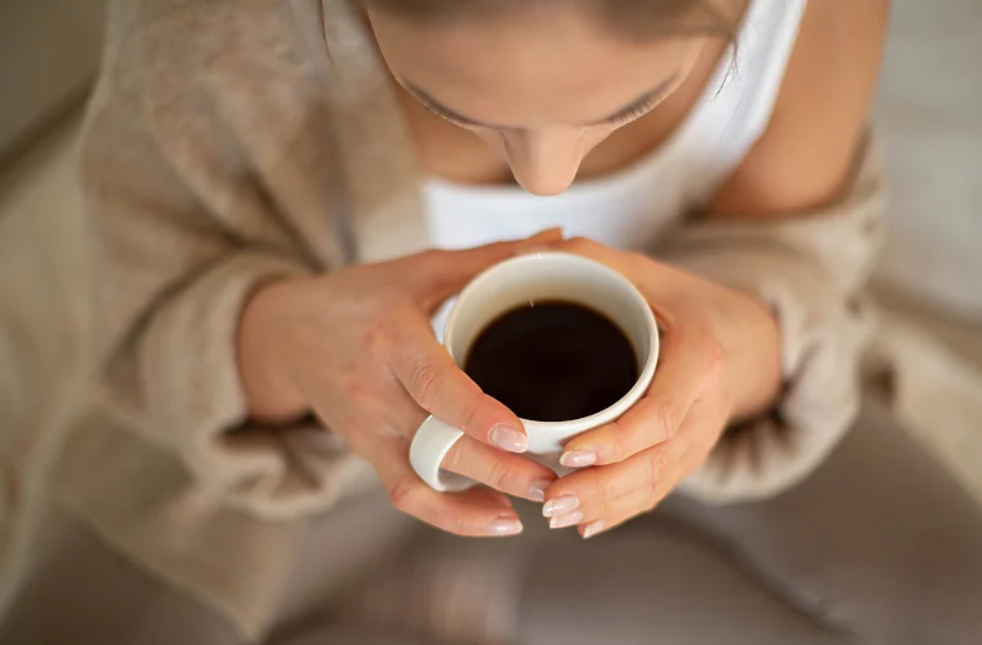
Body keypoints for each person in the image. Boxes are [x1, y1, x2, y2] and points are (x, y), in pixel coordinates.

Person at [3, 0, 981, 643]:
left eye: (638, 101)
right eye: (448, 103)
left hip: (690, 449)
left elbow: (799, 264)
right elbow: (151, 315)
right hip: (290, 468)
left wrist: (731, 356)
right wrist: (290, 341)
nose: (543, 183)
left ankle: (476, 590)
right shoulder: (212, 26)